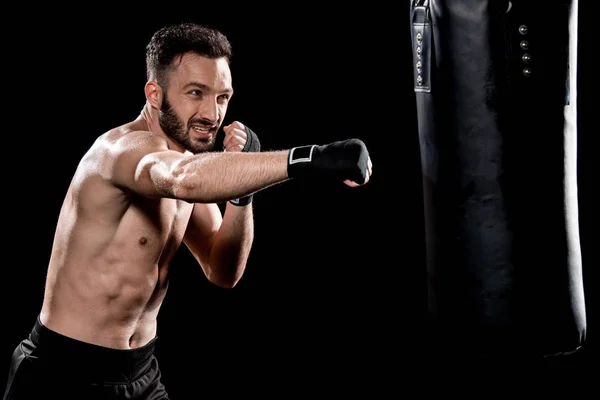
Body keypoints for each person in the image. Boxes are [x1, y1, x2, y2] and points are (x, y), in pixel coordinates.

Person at [2, 21, 372, 400]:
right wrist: (307, 159)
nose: (212, 113)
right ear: (155, 94)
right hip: (65, 374)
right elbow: (181, 180)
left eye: (222, 97)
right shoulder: (122, 151)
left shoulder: (187, 161)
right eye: (195, 93)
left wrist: (242, 193)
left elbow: (222, 269)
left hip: (141, 372)